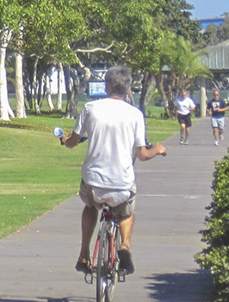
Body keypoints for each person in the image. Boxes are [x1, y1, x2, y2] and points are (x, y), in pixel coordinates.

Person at [62, 66, 165, 276]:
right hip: (121, 182)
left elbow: (72, 142)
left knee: (90, 207)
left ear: (106, 87)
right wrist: (157, 149)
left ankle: (84, 253)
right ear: (128, 90)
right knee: (126, 213)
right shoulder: (135, 114)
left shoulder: (90, 108)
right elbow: (143, 154)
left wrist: (65, 141)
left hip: (93, 180)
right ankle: (125, 245)